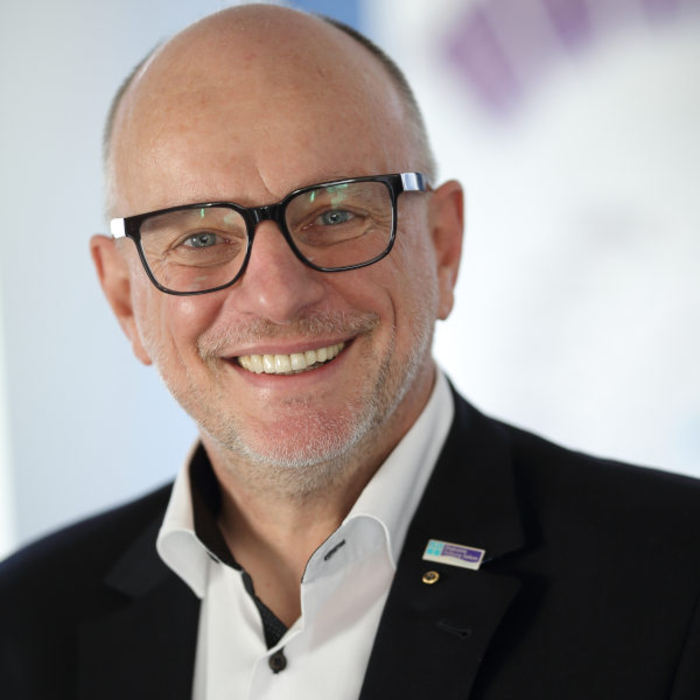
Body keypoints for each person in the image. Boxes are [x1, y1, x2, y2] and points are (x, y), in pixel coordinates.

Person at [1, 5, 699, 699]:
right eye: (201, 238)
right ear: (125, 299)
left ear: (443, 245)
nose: (277, 296)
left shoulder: (677, 579)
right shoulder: (23, 624)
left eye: (335, 214)